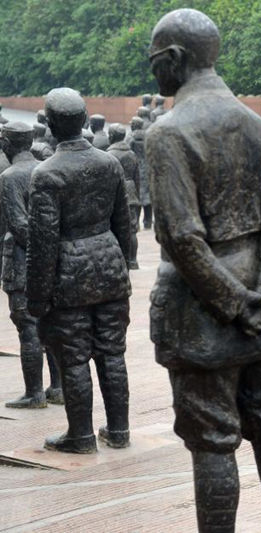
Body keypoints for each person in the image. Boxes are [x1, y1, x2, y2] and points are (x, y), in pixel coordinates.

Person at [146, 9, 261, 532]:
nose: (153, 73)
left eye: (154, 62)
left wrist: (237, 304)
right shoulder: (256, 123)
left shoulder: (168, 133)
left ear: (175, 59)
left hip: (204, 310)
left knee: (213, 441)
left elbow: (182, 238)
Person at [27, 88, 133, 454]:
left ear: (50, 125)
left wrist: (36, 299)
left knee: (73, 358)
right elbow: (125, 225)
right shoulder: (110, 164)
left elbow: (42, 243)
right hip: (109, 269)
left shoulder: (46, 174)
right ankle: (119, 431)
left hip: (69, 278)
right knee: (112, 353)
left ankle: (82, 436)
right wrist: (123, 267)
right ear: (86, 119)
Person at [1, 122, 62, 409]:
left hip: (24, 263)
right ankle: (58, 388)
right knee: (50, 325)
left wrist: (38, 256)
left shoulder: (11, 176)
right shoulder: (46, 167)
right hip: (51, 261)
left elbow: (19, 224)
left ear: (9, 144)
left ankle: (34, 393)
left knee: (28, 327)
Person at [106, 124, 140, 270]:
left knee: (115, 228)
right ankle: (133, 260)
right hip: (131, 192)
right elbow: (137, 177)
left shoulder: (109, 155)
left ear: (112, 136)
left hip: (115, 192)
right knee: (132, 229)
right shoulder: (131, 154)